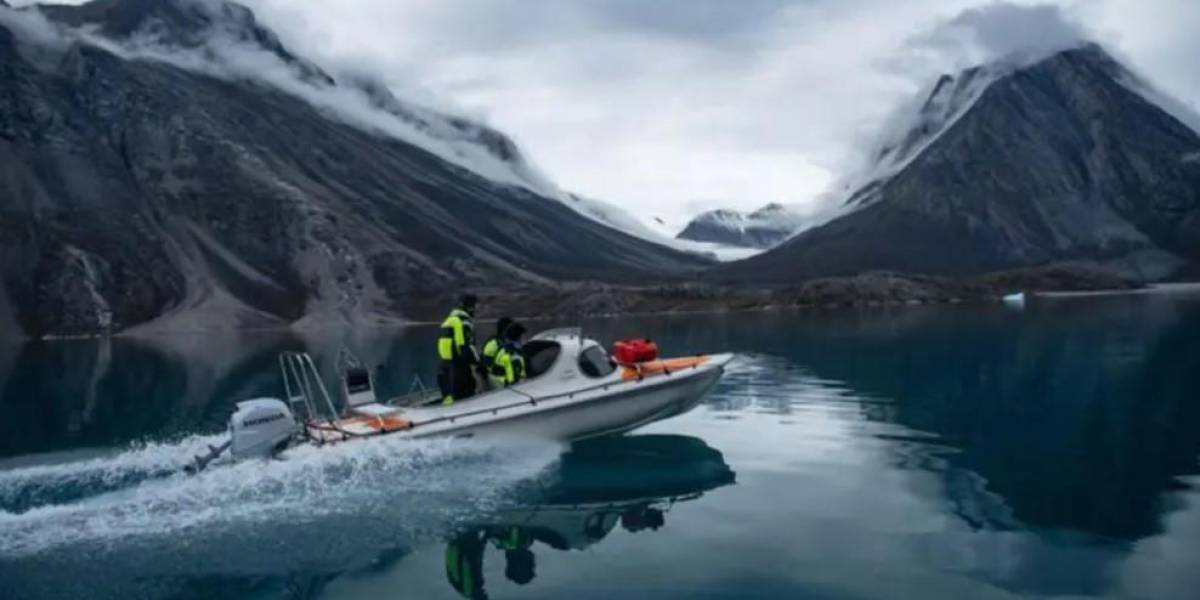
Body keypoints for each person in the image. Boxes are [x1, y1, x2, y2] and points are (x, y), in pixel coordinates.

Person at [437, 294, 480, 405]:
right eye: (475, 306)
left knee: (449, 396)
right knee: (466, 396)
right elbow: (465, 346)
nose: (476, 310)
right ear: (470, 306)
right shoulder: (464, 322)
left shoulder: (449, 320)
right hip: (459, 367)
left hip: (445, 365)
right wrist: (478, 363)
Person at [489, 322, 527, 388]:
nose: (524, 339)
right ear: (518, 338)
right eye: (523, 336)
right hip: (511, 390)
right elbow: (514, 380)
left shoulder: (502, 349)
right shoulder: (514, 356)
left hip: (498, 387)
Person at [480, 317, 513, 390]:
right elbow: (485, 367)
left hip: (511, 382)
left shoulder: (511, 343)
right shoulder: (493, 344)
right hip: (497, 384)